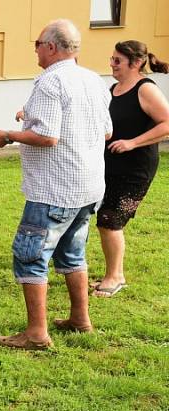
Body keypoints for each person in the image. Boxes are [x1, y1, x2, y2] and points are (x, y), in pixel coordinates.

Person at [0, 19, 112, 349]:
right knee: (72, 252)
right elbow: (106, 131)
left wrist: (8, 135)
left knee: (31, 256)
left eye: (38, 43)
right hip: (88, 187)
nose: (35, 49)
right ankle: (80, 319)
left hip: (54, 189)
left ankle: (36, 333)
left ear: (52, 47)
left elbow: (47, 136)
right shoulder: (94, 80)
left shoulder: (49, 82)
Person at [93, 41, 169, 297]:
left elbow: (167, 123)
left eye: (117, 60)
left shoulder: (145, 89)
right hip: (111, 165)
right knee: (105, 218)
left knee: (109, 219)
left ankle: (115, 277)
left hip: (136, 169)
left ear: (135, 63)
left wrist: (132, 142)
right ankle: (113, 274)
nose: (111, 64)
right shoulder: (113, 89)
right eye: (111, 59)